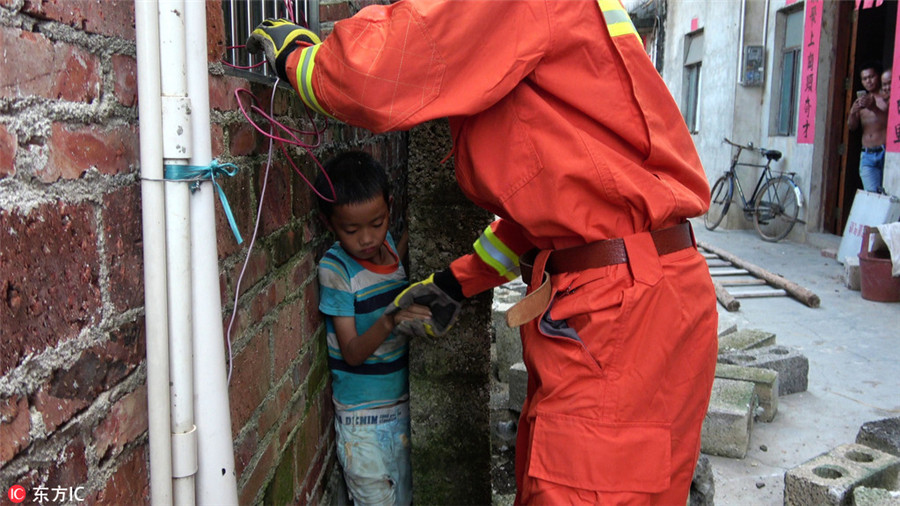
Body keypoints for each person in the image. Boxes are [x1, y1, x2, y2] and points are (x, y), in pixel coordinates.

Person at [249, 3, 718, 503]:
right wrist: (455, 283)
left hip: (619, 312)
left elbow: (383, 70)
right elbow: (547, 218)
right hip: (655, 294)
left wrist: (301, 60)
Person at [314, 151, 429, 506]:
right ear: (329, 223)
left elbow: (395, 268)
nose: (367, 239)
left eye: (377, 223)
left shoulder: (390, 247)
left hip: (403, 409)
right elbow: (351, 353)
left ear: (389, 209)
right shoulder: (336, 270)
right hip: (362, 423)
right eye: (352, 230)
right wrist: (390, 319)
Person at [849, 61, 888, 193]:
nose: (868, 81)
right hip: (867, 155)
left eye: (871, 77)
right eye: (864, 79)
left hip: (885, 152)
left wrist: (874, 108)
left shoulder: (886, 97)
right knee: (871, 195)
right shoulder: (860, 102)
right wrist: (853, 112)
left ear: (878, 76)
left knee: (888, 195)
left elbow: (889, 121)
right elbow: (852, 127)